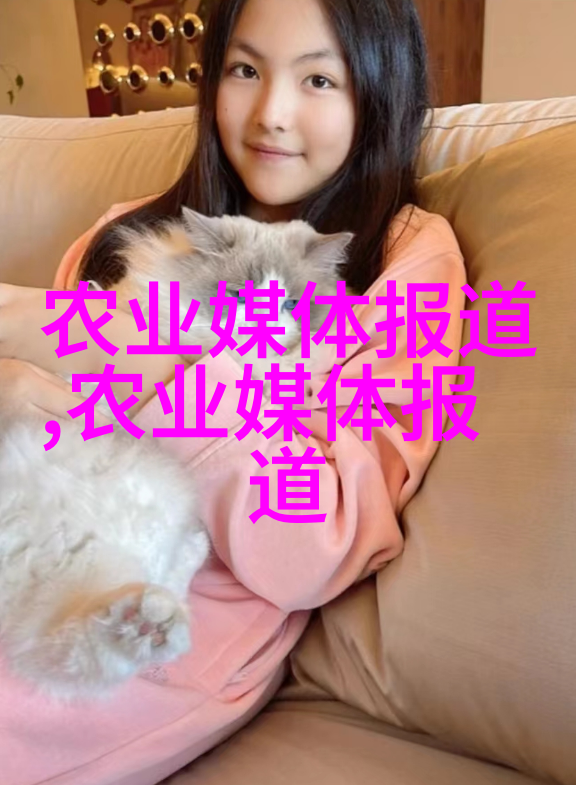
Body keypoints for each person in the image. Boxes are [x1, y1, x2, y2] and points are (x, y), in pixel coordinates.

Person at [0, 0, 466, 782]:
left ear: (378, 91)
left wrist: (154, 365)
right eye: (245, 69)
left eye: (318, 79)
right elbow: (53, 448)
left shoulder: (404, 257)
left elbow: (317, 547)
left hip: (154, 618)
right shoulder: (124, 232)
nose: (271, 113)